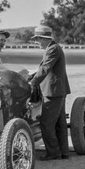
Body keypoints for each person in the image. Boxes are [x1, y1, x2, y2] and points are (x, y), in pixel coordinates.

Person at [29, 25, 71, 160]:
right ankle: (63, 152)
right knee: (60, 123)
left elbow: (45, 68)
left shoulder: (52, 49)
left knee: (46, 124)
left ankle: (53, 153)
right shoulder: (53, 47)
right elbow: (45, 68)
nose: (37, 43)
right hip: (57, 90)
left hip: (52, 91)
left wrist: (33, 82)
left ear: (44, 38)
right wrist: (32, 76)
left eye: (38, 40)